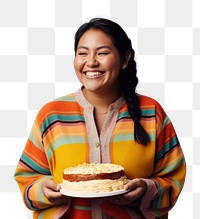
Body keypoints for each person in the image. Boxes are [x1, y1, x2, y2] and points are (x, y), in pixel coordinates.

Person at [14, 18, 186, 219]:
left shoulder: (151, 112)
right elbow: (27, 178)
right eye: (82, 53)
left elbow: (173, 178)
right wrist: (44, 191)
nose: (91, 62)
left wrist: (146, 189)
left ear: (124, 59)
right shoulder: (52, 114)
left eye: (102, 53)